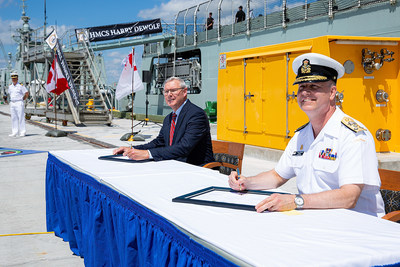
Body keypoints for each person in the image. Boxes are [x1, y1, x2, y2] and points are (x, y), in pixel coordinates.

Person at [228, 53, 385, 217]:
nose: (305, 93)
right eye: (302, 87)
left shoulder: (353, 136)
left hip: (357, 224)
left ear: (332, 93)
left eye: (314, 87)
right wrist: (246, 182)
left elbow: (349, 197)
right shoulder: (301, 136)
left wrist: (296, 201)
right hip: (314, 218)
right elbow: (277, 176)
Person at [113, 76, 214, 166]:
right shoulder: (169, 118)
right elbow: (159, 142)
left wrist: (147, 154)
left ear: (184, 92)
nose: (169, 94)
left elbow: (184, 147)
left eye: (173, 90)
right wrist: (133, 149)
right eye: (166, 91)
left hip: (196, 168)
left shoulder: (196, 114)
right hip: (173, 164)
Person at [8, 72, 29, 137]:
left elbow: (26, 93)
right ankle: (15, 132)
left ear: (17, 78)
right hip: (12, 103)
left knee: (21, 117)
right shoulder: (10, 86)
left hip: (19, 102)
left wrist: (23, 99)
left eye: (15, 78)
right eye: (13, 79)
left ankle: (23, 132)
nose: (14, 80)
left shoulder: (20, 86)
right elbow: (10, 94)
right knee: (14, 118)